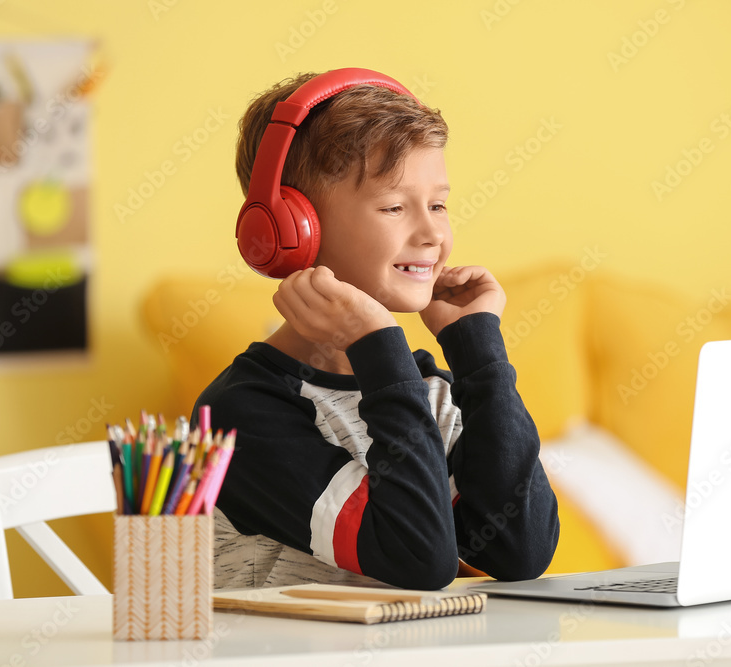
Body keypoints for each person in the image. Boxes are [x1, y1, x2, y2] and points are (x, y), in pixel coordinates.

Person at [193, 68, 559, 590]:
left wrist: (479, 358)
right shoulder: (239, 416)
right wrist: (378, 346)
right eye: (394, 206)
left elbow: (520, 550)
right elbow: (420, 562)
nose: (433, 233)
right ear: (294, 229)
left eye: (438, 205)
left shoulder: (425, 391)